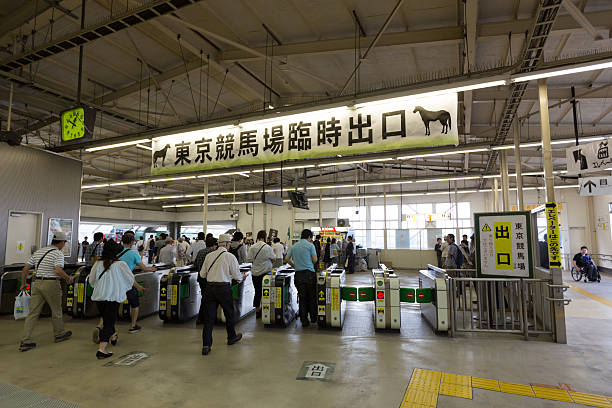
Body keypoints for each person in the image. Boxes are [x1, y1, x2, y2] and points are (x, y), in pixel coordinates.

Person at [18, 232, 73, 352]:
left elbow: (25, 269)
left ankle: (25, 340)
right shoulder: (58, 254)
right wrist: (68, 278)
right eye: (64, 242)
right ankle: (59, 334)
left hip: (37, 283)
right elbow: (58, 270)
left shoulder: (39, 251)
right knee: (56, 310)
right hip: (51, 284)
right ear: (62, 242)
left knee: (32, 313)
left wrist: (23, 284)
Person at [89, 240, 135, 359]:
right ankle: (102, 350)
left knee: (107, 318)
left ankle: (113, 335)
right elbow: (130, 279)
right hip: (113, 296)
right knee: (108, 322)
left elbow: (92, 280)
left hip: (99, 297)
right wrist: (122, 287)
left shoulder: (98, 263)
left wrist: (99, 288)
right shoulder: (120, 264)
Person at [200, 234, 245, 355]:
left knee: (209, 318)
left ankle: (206, 345)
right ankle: (231, 337)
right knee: (229, 314)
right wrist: (242, 277)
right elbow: (237, 276)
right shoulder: (230, 257)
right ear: (226, 244)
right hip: (224, 288)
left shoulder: (209, 256)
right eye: (229, 244)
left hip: (210, 288)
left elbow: (202, 275)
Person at [285, 229, 318, 327]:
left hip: (298, 275)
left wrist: (294, 266)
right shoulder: (310, 245)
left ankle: (304, 320)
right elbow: (315, 260)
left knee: (302, 297)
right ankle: (313, 318)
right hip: (309, 275)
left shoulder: (294, 246)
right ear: (309, 237)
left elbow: (286, 258)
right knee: (312, 297)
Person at [248, 230, 275, 318]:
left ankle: (257, 310)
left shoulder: (252, 247)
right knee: (266, 291)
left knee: (257, 291)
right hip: (265, 273)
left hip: (255, 273)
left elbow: (249, 260)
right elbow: (273, 259)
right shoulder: (267, 247)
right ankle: (265, 310)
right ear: (264, 237)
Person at [194, 236, 218, 324]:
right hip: (209, 279)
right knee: (209, 299)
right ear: (213, 245)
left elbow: (195, 264)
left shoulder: (200, 252)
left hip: (200, 278)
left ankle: (201, 318)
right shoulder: (212, 253)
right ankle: (206, 318)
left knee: (204, 297)